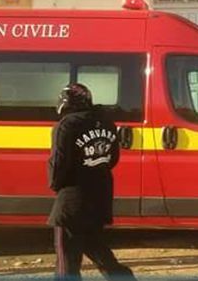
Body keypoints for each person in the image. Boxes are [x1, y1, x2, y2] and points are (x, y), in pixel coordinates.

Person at [48, 83, 136, 281]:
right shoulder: (107, 123)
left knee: (67, 259)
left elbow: (59, 162)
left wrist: (55, 185)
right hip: (100, 196)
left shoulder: (67, 125)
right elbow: (112, 159)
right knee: (96, 247)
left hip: (73, 199)